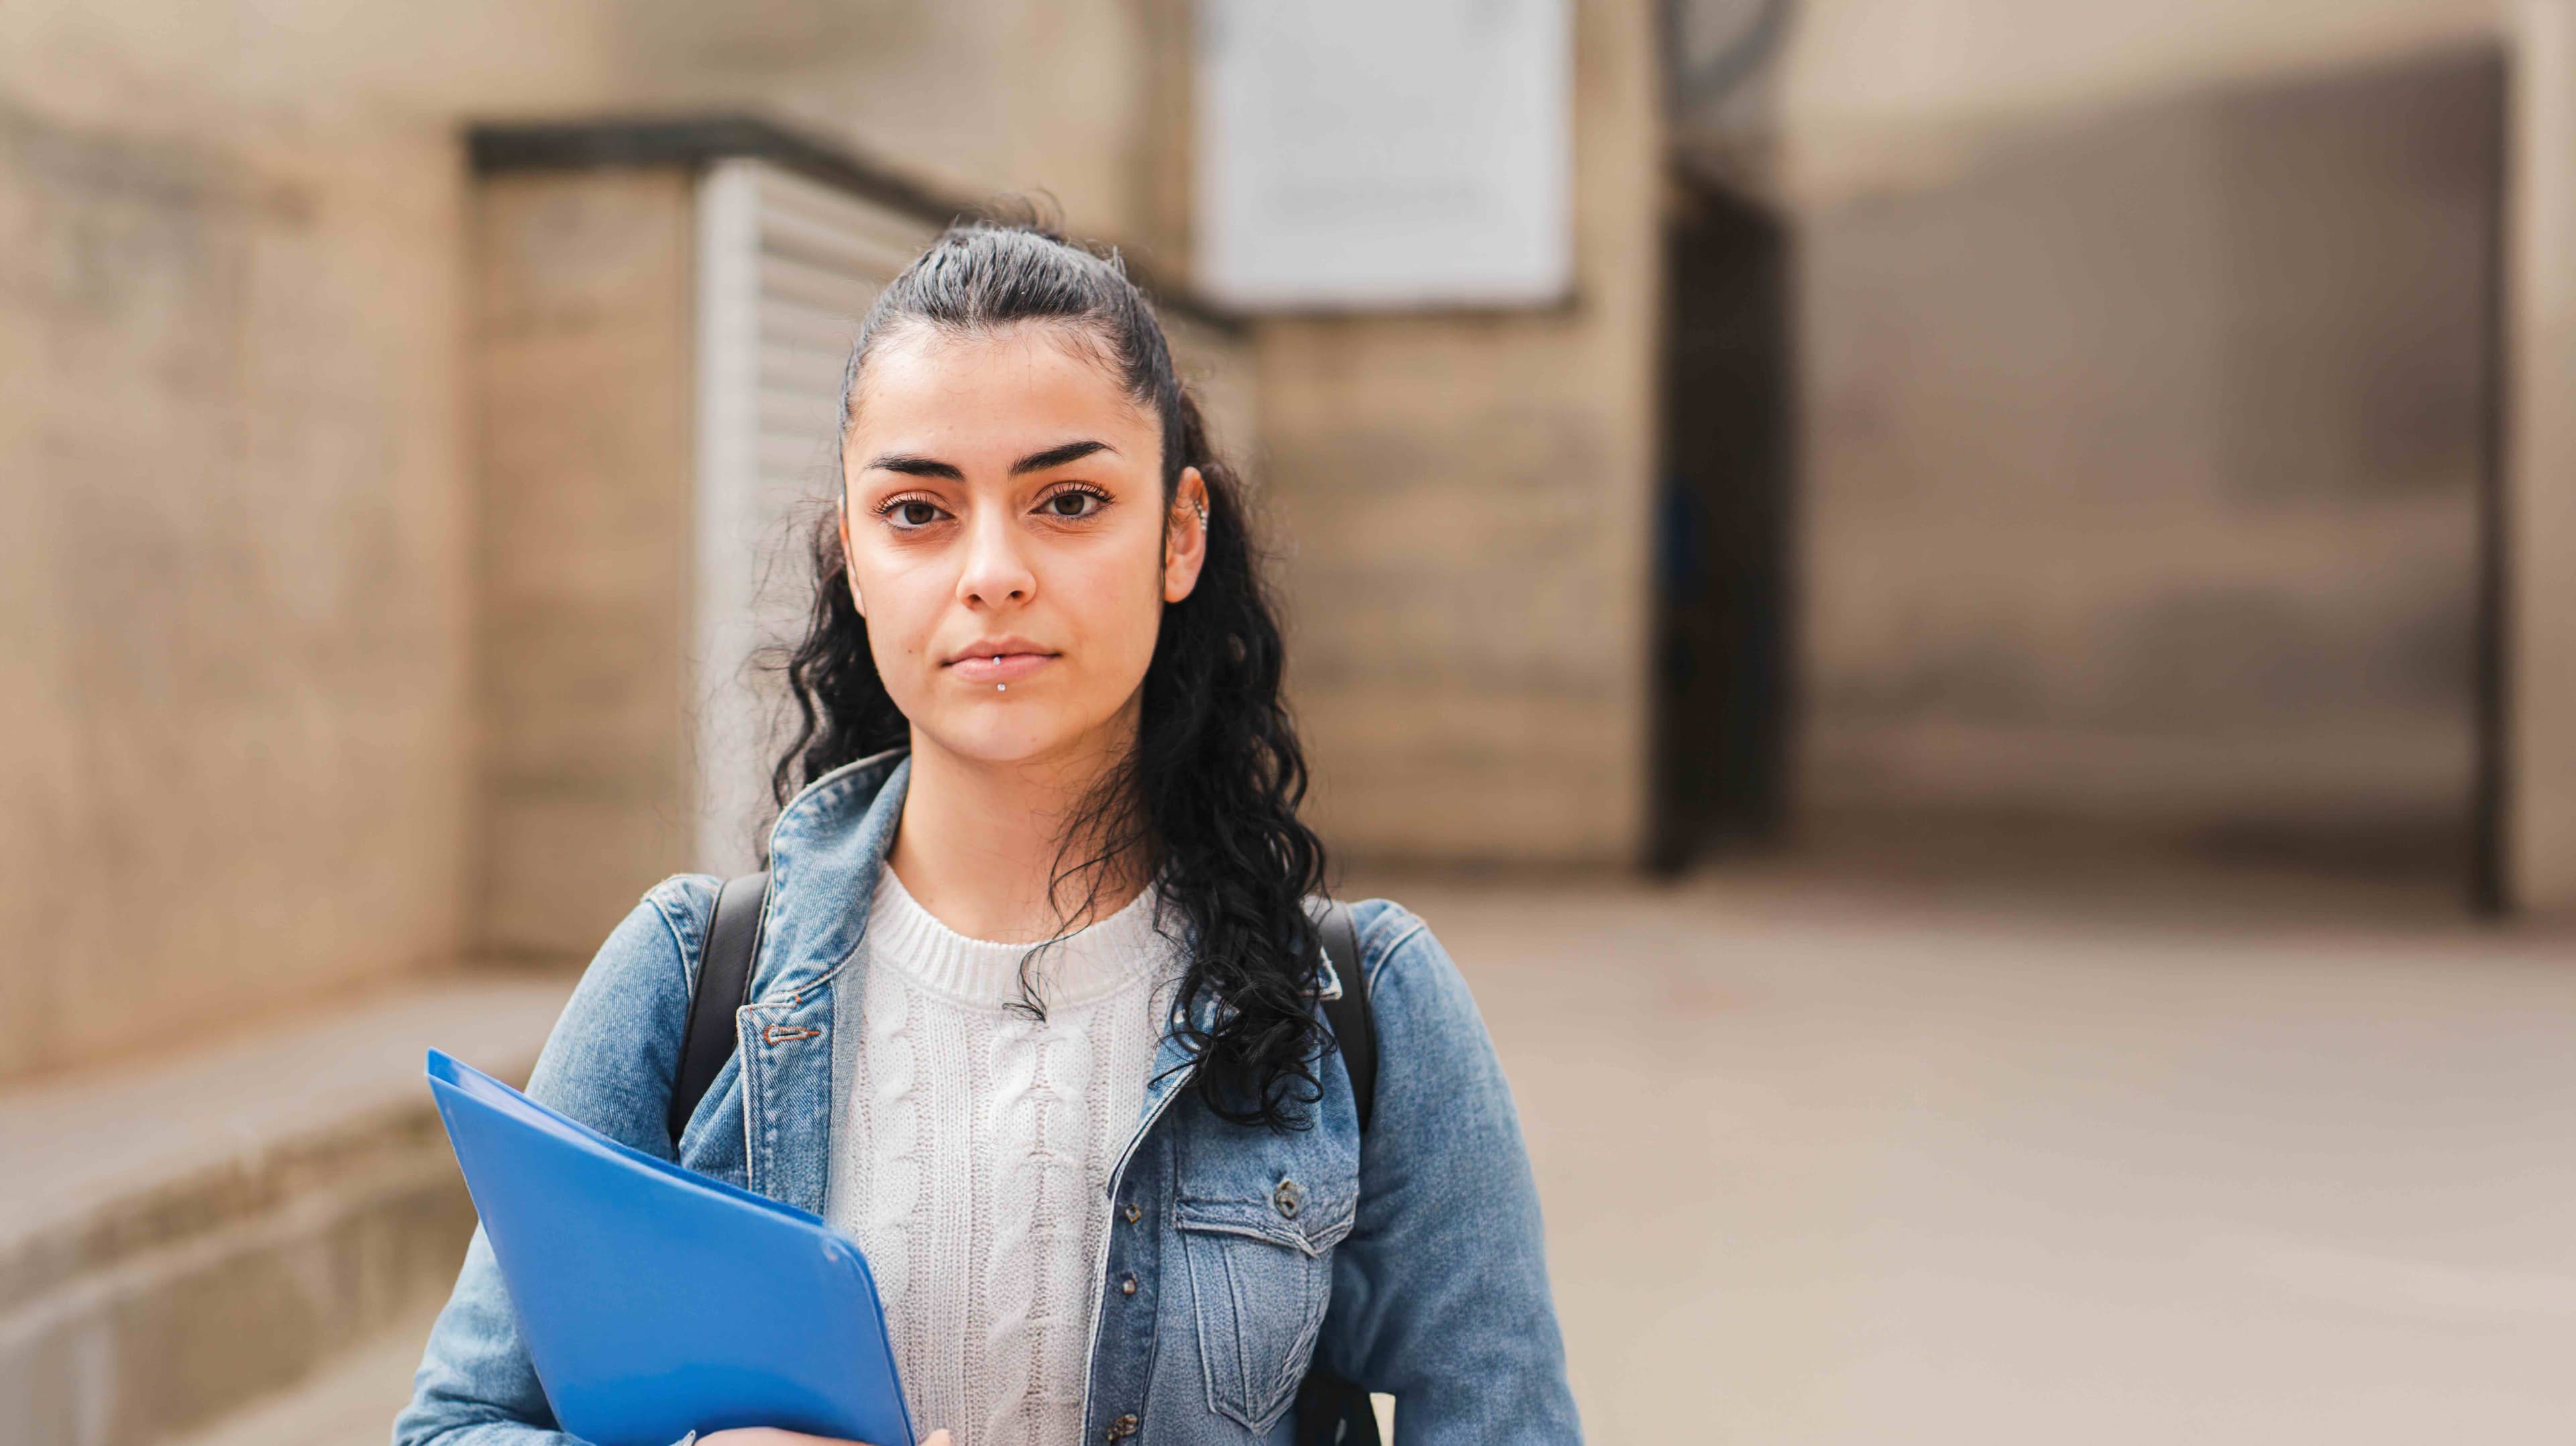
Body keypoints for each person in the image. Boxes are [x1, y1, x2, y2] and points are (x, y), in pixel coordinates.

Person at [394, 219, 1580, 1446]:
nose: (993, 571)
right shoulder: (689, 983)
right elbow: (458, 1426)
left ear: (1180, 534)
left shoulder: (1363, 1007)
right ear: (849, 551)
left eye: (1069, 501)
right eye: (918, 511)